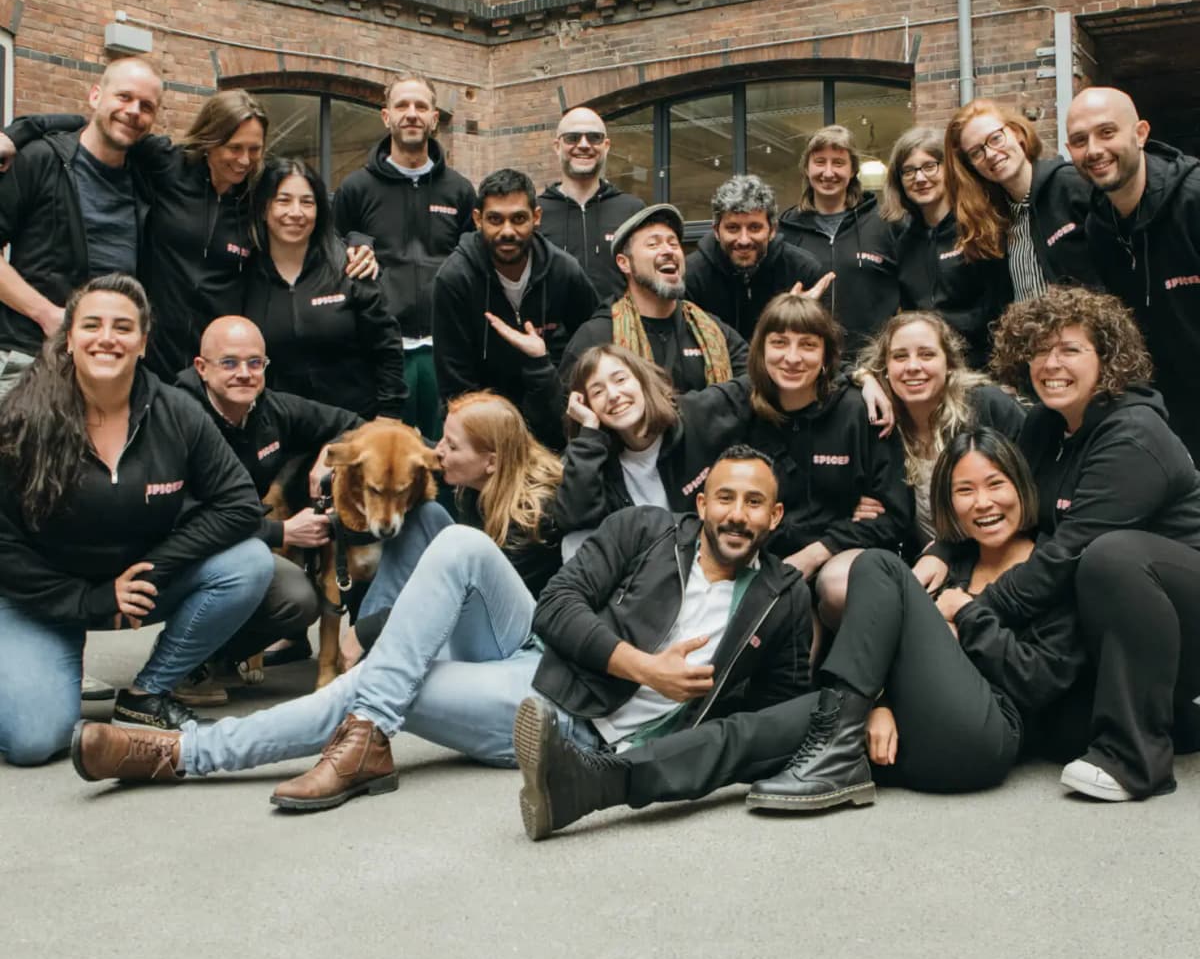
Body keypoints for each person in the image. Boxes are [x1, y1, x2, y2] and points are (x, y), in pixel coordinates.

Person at [70, 449, 813, 824]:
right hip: (547, 658)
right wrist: (641, 665)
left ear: (774, 519)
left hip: (571, 721)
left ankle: (182, 753)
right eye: (726, 497)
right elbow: (557, 605)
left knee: (387, 681)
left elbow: (778, 713)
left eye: (755, 504)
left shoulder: (782, 601)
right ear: (703, 499)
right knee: (457, 544)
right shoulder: (648, 530)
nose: (738, 515)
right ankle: (366, 736)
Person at [515, 428, 1087, 837]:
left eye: (995, 485)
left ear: (1022, 488)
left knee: (878, 565)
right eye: (965, 491)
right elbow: (897, 653)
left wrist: (971, 615)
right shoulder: (945, 564)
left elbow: (1042, 681)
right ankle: (597, 786)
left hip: (986, 739)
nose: (982, 502)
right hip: (900, 743)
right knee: (751, 731)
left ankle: (835, 742)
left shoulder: (1048, 566)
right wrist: (879, 702)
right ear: (949, 505)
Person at [922, 285, 1200, 800]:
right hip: (1122, 626)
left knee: (1109, 556)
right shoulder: (1046, 426)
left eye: (1070, 349)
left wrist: (972, 610)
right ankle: (1173, 720)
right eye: (1039, 349)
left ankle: (1135, 760)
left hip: (1183, 610)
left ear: (1108, 359)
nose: (1052, 363)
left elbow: (1066, 553)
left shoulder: (1134, 435)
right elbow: (1009, 508)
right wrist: (943, 550)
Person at [0, 275, 273, 765]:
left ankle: (146, 697)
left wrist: (153, 569)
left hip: (139, 583)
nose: (108, 337)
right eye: (93, 325)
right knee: (34, 739)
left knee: (250, 563)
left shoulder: (177, 412)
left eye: (123, 327)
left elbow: (239, 505)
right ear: (69, 339)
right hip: (39, 597)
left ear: (143, 342)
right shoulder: (20, 417)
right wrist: (92, 599)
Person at [3, 90, 376, 379]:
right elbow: (101, 126)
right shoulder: (168, 164)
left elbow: (308, 218)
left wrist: (357, 245)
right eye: (234, 148)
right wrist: (17, 133)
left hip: (214, 365)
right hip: (151, 355)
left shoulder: (259, 189)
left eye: (254, 150)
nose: (244, 160)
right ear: (210, 140)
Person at [178, 315, 362, 682]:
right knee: (264, 574)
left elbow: (354, 423)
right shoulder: (177, 417)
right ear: (201, 368)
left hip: (246, 541)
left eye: (255, 363)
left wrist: (331, 454)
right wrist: (279, 533)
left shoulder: (271, 409)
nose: (244, 373)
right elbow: (187, 520)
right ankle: (182, 660)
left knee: (298, 597)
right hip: (183, 553)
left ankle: (216, 658)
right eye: (229, 363)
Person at [345, 390, 566, 670]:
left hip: (513, 641)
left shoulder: (533, 516)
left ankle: (371, 668)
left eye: (452, 445)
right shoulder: (482, 483)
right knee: (424, 514)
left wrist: (367, 629)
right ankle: (368, 665)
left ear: (492, 462)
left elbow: (462, 598)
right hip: (472, 611)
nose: (438, 450)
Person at [742, 293, 912, 625]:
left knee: (839, 586)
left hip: (836, 556)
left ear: (825, 355)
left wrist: (817, 552)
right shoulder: (742, 412)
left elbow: (893, 515)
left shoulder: (860, 410)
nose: (792, 358)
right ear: (762, 351)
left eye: (807, 345)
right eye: (779, 343)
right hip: (765, 562)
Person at [0, 58, 162, 396]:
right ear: (95, 96)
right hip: (31, 358)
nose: (134, 111)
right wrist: (46, 314)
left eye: (146, 106)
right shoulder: (41, 160)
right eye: (124, 97)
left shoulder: (145, 179)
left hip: (106, 370)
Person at [333, 73, 475, 440]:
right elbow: (331, 251)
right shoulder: (355, 188)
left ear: (434, 119)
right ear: (386, 117)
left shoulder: (460, 191)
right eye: (402, 106)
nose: (411, 114)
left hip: (444, 351)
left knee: (447, 456)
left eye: (421, 106)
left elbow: (472, 265)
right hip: (381, 351)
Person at [1064, 85, 1200, 460]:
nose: (1093, 150)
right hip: (1171, 415)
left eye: (1107, 132)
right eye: (1079, 140)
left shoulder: (1193, 200)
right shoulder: (1098, 227)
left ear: (1140, 134)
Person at [432, 167, 598, 448]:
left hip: (552, 415)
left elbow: (594, 341)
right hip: (486, 427)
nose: (507, 231)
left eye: (518, 218)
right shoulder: (455, 278)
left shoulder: (563, 270)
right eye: (495, 219)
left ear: (536, 217)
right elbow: (455, 382)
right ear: (477, 220)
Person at [244, 157, 407, 420]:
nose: (296, 212)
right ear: (264, 208)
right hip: (280, 430)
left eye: (307, 202)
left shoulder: (350, 266)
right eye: (283, 200)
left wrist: (389, 415)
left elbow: (386, 346)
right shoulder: (245, 274)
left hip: (354, 426)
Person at [554, 345, 751, 550]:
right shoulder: (592, 455)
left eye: (620, 380)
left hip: (712, 551)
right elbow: (574, 517)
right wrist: (589, 428)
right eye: (597, 392)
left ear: (641, 380)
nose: (613, 395)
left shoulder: (694, 414)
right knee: (574, 542)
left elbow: (759, 382)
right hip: (645, 571)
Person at [856, 311, 1025, 548]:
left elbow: (1034, 486)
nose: (913, 366)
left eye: (927, 354)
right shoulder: (878, 417)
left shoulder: (987, 405)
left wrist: (945, 554)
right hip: (920, 562)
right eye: (900, 356)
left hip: (998, 552)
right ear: (885, 367)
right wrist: (862, 377)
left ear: (949, 364)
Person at [559, 203, 749, 395]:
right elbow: (569, 410)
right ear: (624, 263)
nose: (668, 251)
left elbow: (750, 389)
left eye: (673, 243)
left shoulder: (715, 331)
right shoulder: (596, 337)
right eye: (653, 244)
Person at [945, 99, 1097, 308]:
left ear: (1017, 132)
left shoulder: (1071, 185)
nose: (990, 154)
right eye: (976, 152)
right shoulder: (994, 220)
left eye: (995, 138)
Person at [882, 126, 1004, 370]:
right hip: (929, 372)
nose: (919, 178)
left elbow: (1001, 306)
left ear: (949, 168)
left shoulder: (980, 227)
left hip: (984, 371)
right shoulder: (904, 243)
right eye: (908, 171)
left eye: (930, 166)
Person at [778, 125, 899, 355]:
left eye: (839, 163)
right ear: (806, 167)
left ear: (853, 169)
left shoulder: (885, 225)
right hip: (805, 361)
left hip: (872, 363)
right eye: (820, 162)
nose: (828, 172)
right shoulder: (785, 233)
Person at [685, 175, 826, 339]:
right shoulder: (691, 276)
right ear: (716, 231)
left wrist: (799, 314)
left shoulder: (803, 270)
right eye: (733, 228)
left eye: (754, 228)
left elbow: (824, 347)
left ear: (772, 230)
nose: (744, 240)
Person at [537, 107, 644, 301]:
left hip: (619, 329)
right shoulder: (536, 213)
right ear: (557, 146)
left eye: (594, 137)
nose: (584, 145)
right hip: (555, 331)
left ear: (607, 145)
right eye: (572, 138)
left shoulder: (632, 211)